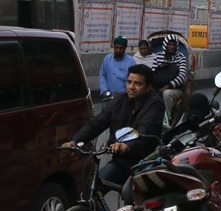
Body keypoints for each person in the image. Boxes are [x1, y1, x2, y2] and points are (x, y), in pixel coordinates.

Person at [64, 63, 164, 191]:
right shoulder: (119, 100)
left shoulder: (155, 104)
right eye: (129, 82)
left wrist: (127, 145)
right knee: (94, 191)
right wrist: (75, 140)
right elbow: (97, 123)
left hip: (145, 162)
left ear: (148, 87)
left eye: (138, 84)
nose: (131, 87)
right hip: (121, 161)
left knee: (134, 198)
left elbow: (146, 129)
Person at [141, 31, 191, 122]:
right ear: (165, 45)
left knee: (167, 94)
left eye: (173, 45)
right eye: (169, 45)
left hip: (175, 89)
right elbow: (153, 73)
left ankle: (167, 119)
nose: (171, 47)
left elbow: (182, 76)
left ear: (176, 46)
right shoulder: (158, 56)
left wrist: (167, 86)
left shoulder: (181, 58)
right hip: (158, 87)